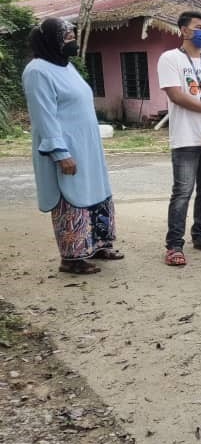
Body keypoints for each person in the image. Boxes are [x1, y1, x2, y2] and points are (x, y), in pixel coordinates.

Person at [22, 18, 123, 275]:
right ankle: (72, 258)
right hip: (65, 149)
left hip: (87, 146)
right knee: (71, 198)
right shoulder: (37, 71)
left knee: (96, 193)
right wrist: (60, 153)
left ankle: (99, 245)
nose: (72, 40)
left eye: (72, 35)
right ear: (51, 40)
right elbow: (44, 116)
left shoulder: (66, 66)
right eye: (66, 36)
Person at [157, 10, 201, 266]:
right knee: (182, 192)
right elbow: (177, 96)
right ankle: (174, 245)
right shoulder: (169, 59)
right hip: (186, 138)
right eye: (198, 27)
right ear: (183, 30)